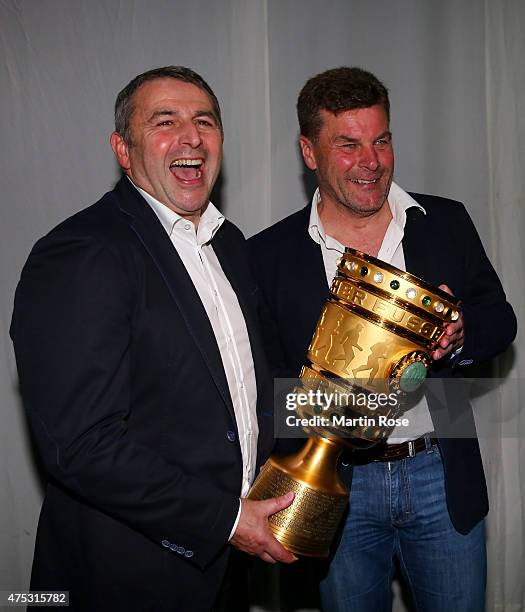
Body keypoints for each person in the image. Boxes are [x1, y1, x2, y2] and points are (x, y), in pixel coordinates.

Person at [10, 66, 296, 612]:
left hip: (224, 570)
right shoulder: (83, 252)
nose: (191, 137)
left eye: (204, 122)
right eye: (165, 121)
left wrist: (360, 409)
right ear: (124, 149)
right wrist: (227, 521)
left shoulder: (230, 245)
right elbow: (82, 444)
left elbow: (246, 395)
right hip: (124, 576)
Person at [248, 67, 516, 611]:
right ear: (308, 151)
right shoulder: (267, 255)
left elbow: (500, 318)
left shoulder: (444, 221)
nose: (370, 161)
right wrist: (343, 411)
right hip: (337, 486)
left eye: (381, 140)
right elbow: (262, 387)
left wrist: (461, 333)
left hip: (441, 471)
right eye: (348, 145)